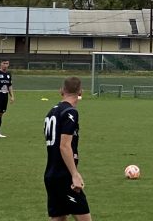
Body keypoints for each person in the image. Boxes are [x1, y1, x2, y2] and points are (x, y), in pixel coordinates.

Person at [45, 77, 91, 221]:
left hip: (51, 174)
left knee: (59, 218)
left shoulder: (52, 111)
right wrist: (74, 174)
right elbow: (64, 146)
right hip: (63, 176)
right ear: (80, 92)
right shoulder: (70, 112)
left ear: (61, 91)